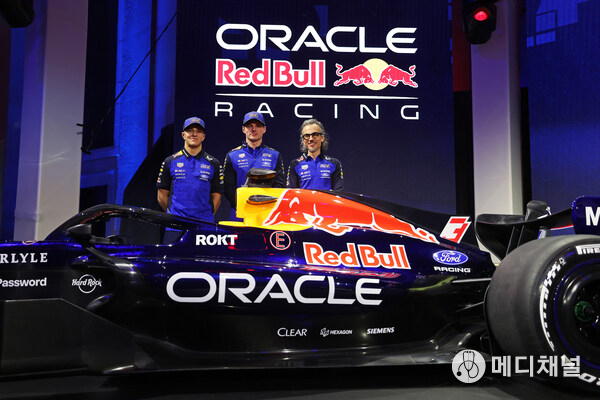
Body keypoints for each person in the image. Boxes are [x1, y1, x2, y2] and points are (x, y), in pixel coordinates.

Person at [157, 117, 223, 225]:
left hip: (204, 224)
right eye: (190, 130)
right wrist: (173, 216)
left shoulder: (214, 163)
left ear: (203, 137)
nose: (194, 134)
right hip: (175, 225)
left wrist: (206, 217)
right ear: (183, 135)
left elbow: (217, 197)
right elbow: (161, 196)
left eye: (199, 131)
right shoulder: (170, 161)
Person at [222, 111, 285, 217]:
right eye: (249, 126)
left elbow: (279, 184)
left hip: (266, 213)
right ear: (243, 129)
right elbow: (228, 187)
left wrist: (266, 204)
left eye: (258, 126)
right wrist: (242, 204)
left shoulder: (275, 155)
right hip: (240, 213)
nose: (254, 129)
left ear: (264, 129)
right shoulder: (232, 155)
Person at [287, 119, 344, 190]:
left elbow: (338, 193)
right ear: (303, 140)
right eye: (307, 135)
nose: (311, 139)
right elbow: (292, 193)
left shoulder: (334, 163)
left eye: (315, 135)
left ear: (322, 138)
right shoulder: (295, 164)